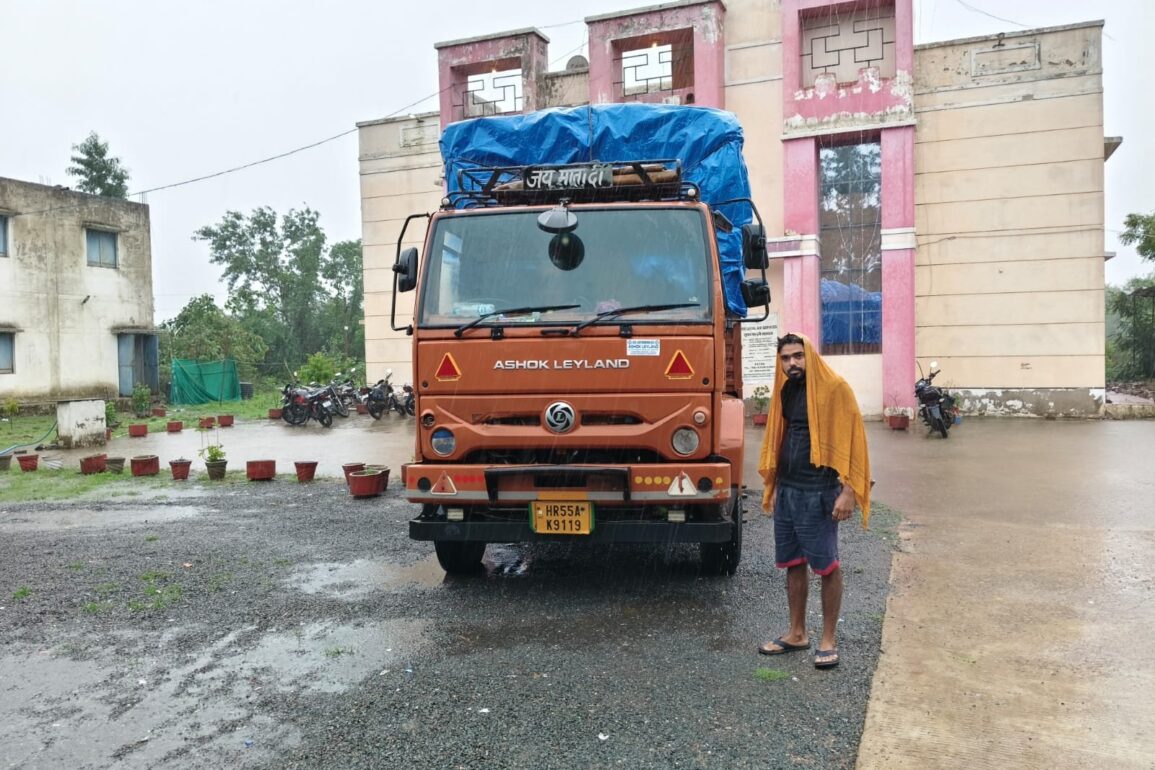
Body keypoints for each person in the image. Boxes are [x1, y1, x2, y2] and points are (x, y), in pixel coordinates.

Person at [756, 332, 871, 670]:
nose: (791, 363)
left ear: (809, 355)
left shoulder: (835, 388)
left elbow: (855, 440)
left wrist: (848, 490)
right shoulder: (786, 391)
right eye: (785, 358)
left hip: (819, 491)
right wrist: (775, 483)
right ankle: (797, 633)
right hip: (789, 490)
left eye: (797, 356)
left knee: (827, 566)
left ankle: (828, 638)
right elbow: (784, 436)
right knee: (792, 563)